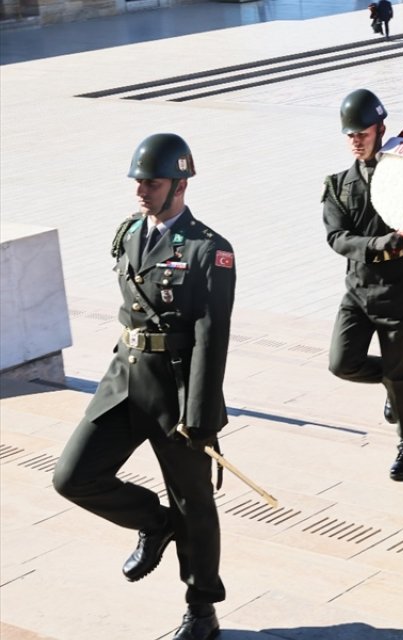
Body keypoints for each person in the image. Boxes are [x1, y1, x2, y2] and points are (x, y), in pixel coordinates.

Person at [52, 133, 235, 640]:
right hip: (124, 379)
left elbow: (211, 337)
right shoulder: (128, 233)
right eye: (137, 181)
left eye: (151, 182)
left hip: (175, 392)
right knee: (72, 477)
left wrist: (199, 414)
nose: (140, 190)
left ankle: (202, 609)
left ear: (179, 185)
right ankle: (155, 525)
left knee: (193, 501)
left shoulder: (208, 250)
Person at [323, 89, 403, 481]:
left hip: (398, 290)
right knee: (342, 362)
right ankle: (394, 381)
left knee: (397, 372)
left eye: (362, 132)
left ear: (380, 129)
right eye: (350, 134)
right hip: (358, 288)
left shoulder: (401, 171)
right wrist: (375, 244)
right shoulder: (338, 184)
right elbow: (337, 238)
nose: (356, 139)